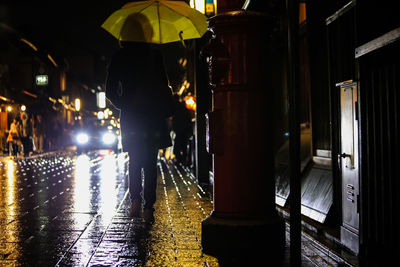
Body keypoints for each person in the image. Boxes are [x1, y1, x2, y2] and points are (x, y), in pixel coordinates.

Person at [106, 41, 174, 223]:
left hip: (131, 115)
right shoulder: (155, 55)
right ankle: (148, 207)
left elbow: (110, 89)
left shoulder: (120, 56)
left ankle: (135, 200)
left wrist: (124, 104)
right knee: (151, 161)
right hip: (152, 114)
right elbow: (163, 84)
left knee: (134, 159)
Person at [172, 95, 193, 165]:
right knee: (183, 147)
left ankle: (181, 160)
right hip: (184, 130)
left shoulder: (176, 108)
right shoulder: (183, 107)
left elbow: (175, 119)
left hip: (180, 130)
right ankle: (183, 160)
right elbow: (188, 118)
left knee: (177, 148)